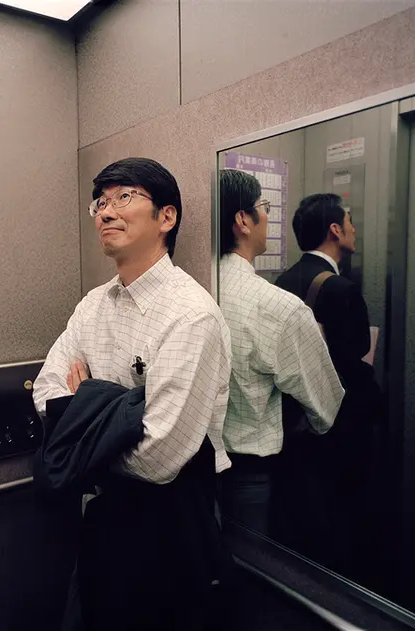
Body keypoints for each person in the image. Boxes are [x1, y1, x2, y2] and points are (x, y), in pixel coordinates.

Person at [33, 157, 233, 630]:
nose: (106, 212)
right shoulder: (93, 305)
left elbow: (159, 457)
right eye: (100, 202)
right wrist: (121, 409)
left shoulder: (190, 315)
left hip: (173, 519)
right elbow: (45, 390)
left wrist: (86, 405)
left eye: (124, 197)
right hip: (104, 513)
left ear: (167, 217)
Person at [217, 169, 344, 536]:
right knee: (252, 564)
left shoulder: (196, 287)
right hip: (251, 476)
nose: (269, 217)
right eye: (265, 207)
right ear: (243, 220)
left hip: (195, 469)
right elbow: (326, 407)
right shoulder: (279, 308)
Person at [275, 193, 383, 571]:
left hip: (295, 422)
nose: (354, 228)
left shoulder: (283, 280)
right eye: (349, 221)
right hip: (341, 423)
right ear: (335, 230)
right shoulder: (341, 289)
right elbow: (357, 354)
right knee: (343, 512)